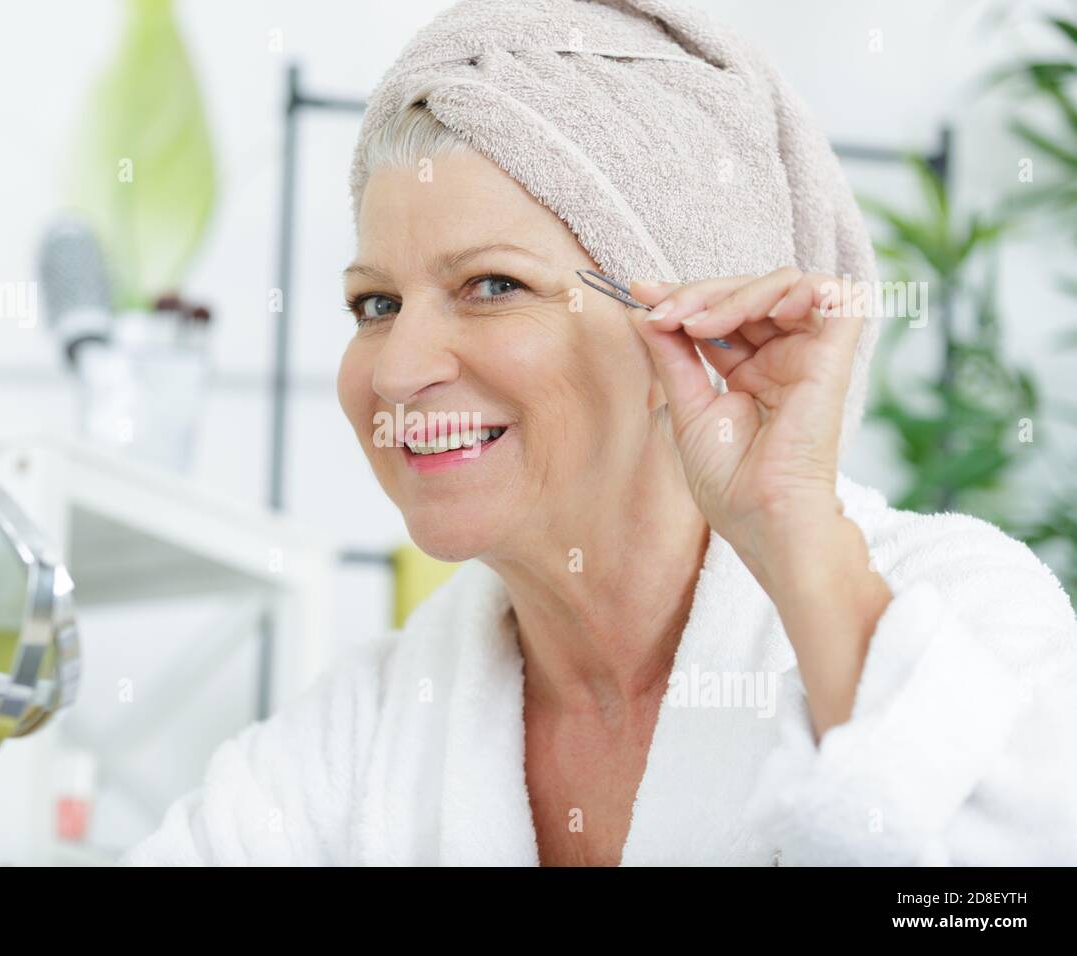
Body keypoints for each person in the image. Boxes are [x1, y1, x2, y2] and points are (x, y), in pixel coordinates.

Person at [123, 0, 1077, 866]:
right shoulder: (372, 733)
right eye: (375, 302)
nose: (399, 369)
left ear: (695, 324)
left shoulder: (968, 618)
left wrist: (796, 533)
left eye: (492, 286)